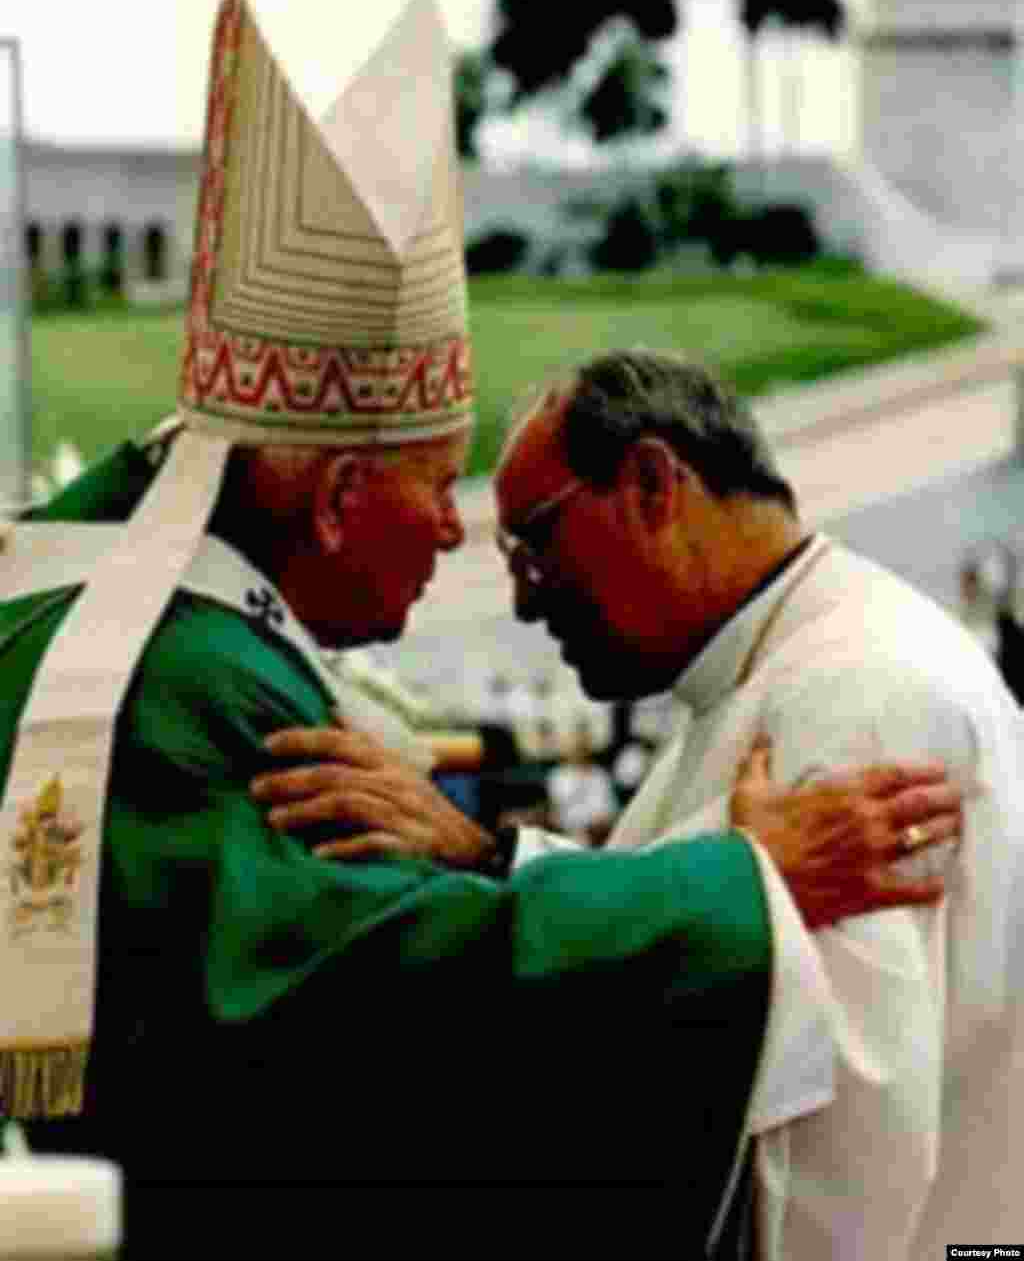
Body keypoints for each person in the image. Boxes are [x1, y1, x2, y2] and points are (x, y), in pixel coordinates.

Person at [0, 0, 959, 1256]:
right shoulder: (181, 677)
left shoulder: (122, 606)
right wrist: (737, 885)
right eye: (439, 480)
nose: (456, 537)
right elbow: (364, 1009)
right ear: (339, 498)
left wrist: (480, 852)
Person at [259, 350, 1024, 1258]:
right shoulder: (770, 666)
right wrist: (488, 857)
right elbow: (685, 909)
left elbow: (832, 1163)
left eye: (534, 545)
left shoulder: (859, 694)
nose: (524, 600)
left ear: (654, 485)